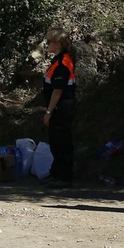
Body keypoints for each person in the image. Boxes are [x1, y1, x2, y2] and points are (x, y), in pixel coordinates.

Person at [42, 29, 77, 183]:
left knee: (62, 143)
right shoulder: (57, 60)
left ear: (57, 44)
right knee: (56, 142)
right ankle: (56, 173)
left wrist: (49, 111)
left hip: (62, 107)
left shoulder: (63, 62)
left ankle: (64, 177)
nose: (47, 44)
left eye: (49, 42)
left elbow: (58, 91)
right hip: (59, 107)